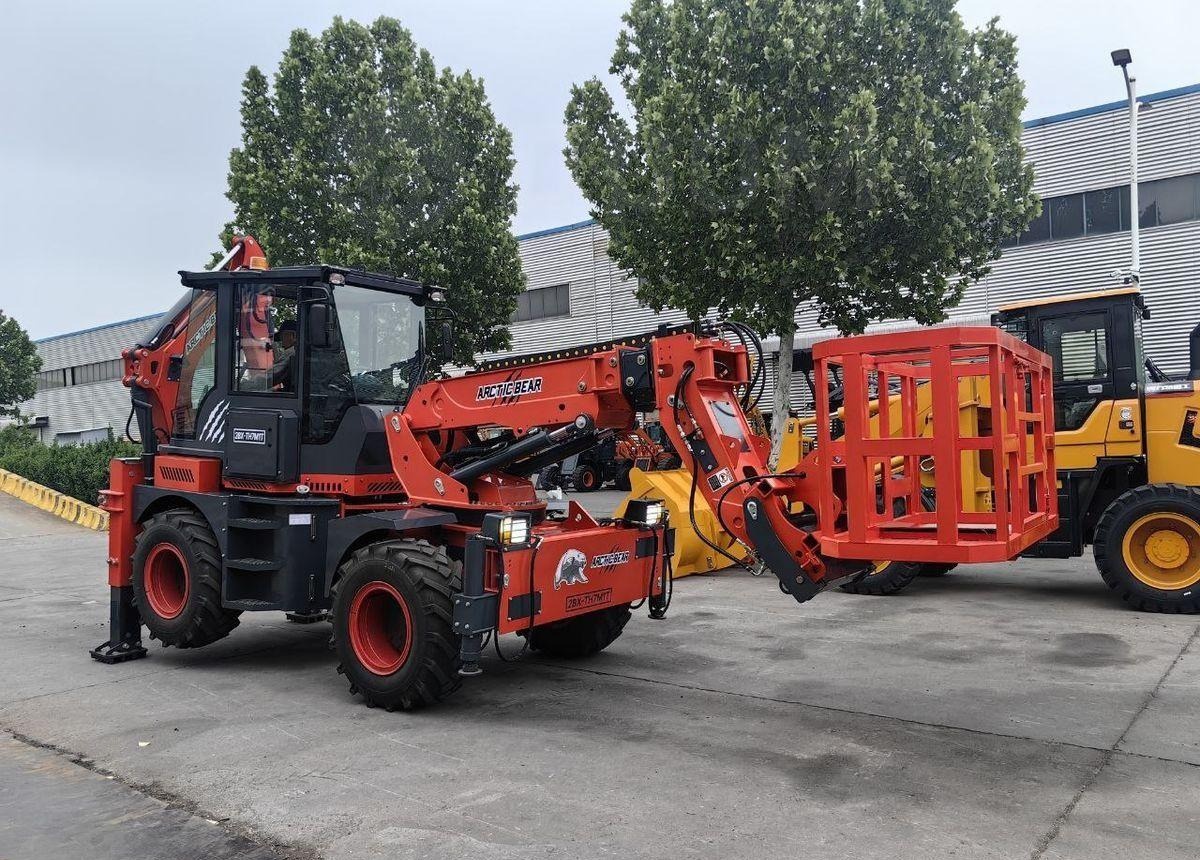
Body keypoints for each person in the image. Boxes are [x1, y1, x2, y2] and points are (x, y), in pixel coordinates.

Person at [271, 320, 297, 391]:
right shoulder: (298, 353)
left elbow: (271, 377)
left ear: (294, 336)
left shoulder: (291, 354)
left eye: (283, 335)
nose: (281, 339)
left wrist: (249, 383)